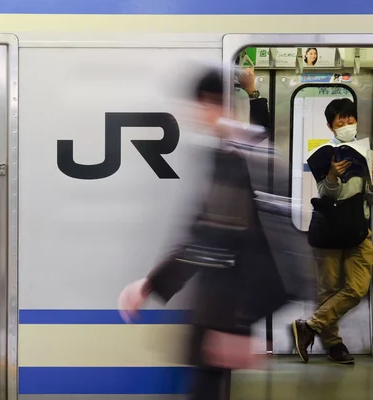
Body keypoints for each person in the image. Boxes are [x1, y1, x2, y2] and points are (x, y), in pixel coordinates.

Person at [118, 67, 289, 400]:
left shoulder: (242, 158)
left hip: (224, 318)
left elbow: (227, 240)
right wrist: (150, 284)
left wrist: (241, 323)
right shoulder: (230, 153)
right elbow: (204, 231)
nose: (193, 116)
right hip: (219, 317)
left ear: (215, 105)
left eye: (198, 106)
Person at [292, 98, 373, 365]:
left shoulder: (366, 152)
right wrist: (331, 176)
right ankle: (333, 344)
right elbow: (327, 194)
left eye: (351, 118)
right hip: (330, 228)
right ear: (330, 125)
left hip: (359, 228)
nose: (348, 124)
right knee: (328, 287)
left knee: (357, 287)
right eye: (341, 120)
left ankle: (310, 326)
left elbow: (368, 194)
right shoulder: (327, 154)